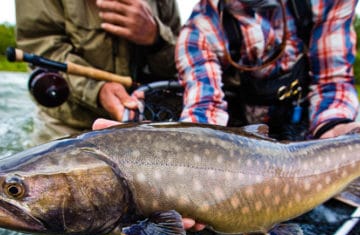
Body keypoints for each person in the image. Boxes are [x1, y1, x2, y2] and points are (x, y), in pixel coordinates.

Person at [175, 0, 360, 140]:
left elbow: (332, 81)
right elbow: (205, 111)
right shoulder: (198, 32)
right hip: (247, 136)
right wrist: (194, 144)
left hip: (310, 128)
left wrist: (334, 126)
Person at [15, 0, 181, 141]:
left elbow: (183, 64)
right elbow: (40, 45)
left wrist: (156, 37)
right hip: (70, 121)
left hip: (147, 120)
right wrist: (96, 89)